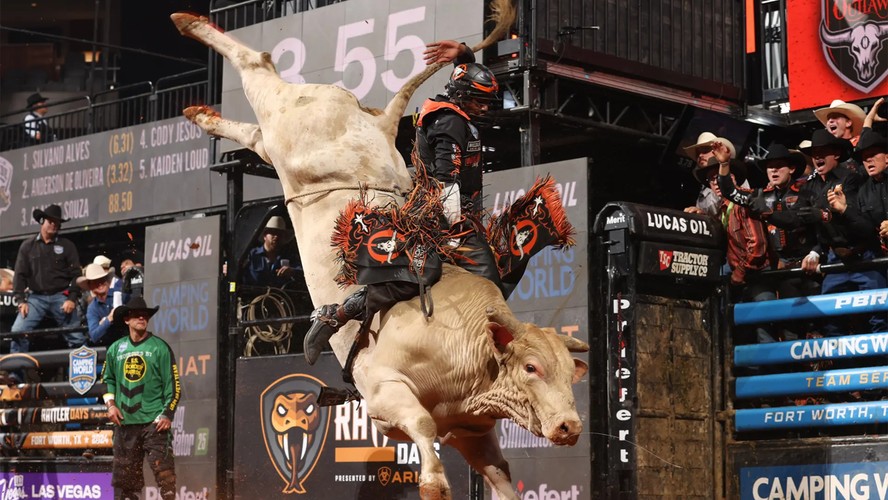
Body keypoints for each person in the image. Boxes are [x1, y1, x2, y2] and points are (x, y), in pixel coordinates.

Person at [303, 39, 502, 364]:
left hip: (458, 214)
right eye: (479, 101)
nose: (484, 107)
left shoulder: (455, 109)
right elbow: (445, 180)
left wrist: (464, 55)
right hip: (437, 216)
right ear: (464, 96)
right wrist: (454, 228)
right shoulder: (449, 121)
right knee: (435, 275)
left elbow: (463, 74)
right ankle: (335, 315)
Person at [717, 142, 820, 342]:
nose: (773, 169)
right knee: (788, 329)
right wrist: (724, 164)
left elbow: (795, 220)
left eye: (779, 165)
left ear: (791, 168)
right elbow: (730, 192)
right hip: (779, 271)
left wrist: (767, 213)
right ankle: (792, 370)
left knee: (814, 325)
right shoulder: (759, 196)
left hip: (807, 268)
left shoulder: (806, 194)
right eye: (769, 166)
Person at [102, 296, 180, 500]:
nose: (141, 317)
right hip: (125, 423)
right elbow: (107, 379)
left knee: (165, 476)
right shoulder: (115, 349)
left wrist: (167, 414)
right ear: (126, 319)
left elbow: (174, 387)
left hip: (154, 423)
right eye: (136, 314)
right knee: (126, 485)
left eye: (145, 315)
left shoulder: (160, 348)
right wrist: (110, 405)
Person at [11, 204, 86, 358]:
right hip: (35, 298)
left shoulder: (67, 246)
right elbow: (19, 275)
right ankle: (15, 377)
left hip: (61, 296)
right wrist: (21, 300)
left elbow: (76, 275)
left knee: (77, 336)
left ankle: (84, 378)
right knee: (17, 331)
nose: (54, 225)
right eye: (51, 221)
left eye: (57, 222)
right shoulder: (27, 246)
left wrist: (72, 298)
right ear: (42, 221)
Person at [682, 132, 748, 217]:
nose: (701, 155)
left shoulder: (735, 178)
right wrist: (700, 214)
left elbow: (744, 210)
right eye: (698, 153)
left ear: (717, 151)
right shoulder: (703, 188)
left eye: (705, 151)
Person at [241, 216, 302, 288]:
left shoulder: (289, 256)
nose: (276, 236)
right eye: (273, 233)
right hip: (253, 298)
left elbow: (302, 272)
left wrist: (292, 271)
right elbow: (237, 272)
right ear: (265, 236)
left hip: (281, 298)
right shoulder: (251, 255)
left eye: (280, 234)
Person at [79, 263, 124, 347]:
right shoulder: (92, 308)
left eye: (102, 279)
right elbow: (94, 335)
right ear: (90, 286)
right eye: (95, 281)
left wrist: (103, 323)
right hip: (110, 348)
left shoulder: (121, 295)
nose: (99, 283)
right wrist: (109, 319)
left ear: (107, 280)